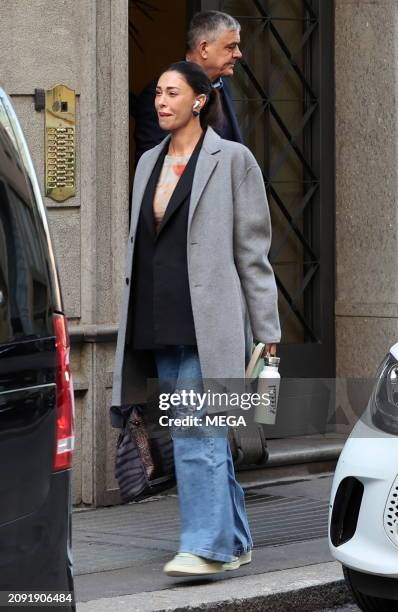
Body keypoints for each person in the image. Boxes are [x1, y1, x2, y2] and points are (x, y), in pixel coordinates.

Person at [111, 61, 281, 577]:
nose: (161, 102)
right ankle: (235, 540)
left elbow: (253, 255)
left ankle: (206, 546)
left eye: (172, 93)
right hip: (157, 320)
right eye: (157, 93)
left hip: (212, 322)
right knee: (200, 430)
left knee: (194, 430)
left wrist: (268, 336)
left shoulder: (233, 160)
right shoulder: (147, 163)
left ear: (200, 100)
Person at [133, 10, 243, 163]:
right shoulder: (160, 93)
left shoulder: (224, 87)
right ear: (204, 49)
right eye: (231, 47)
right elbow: (153, 163)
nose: (238, 54)